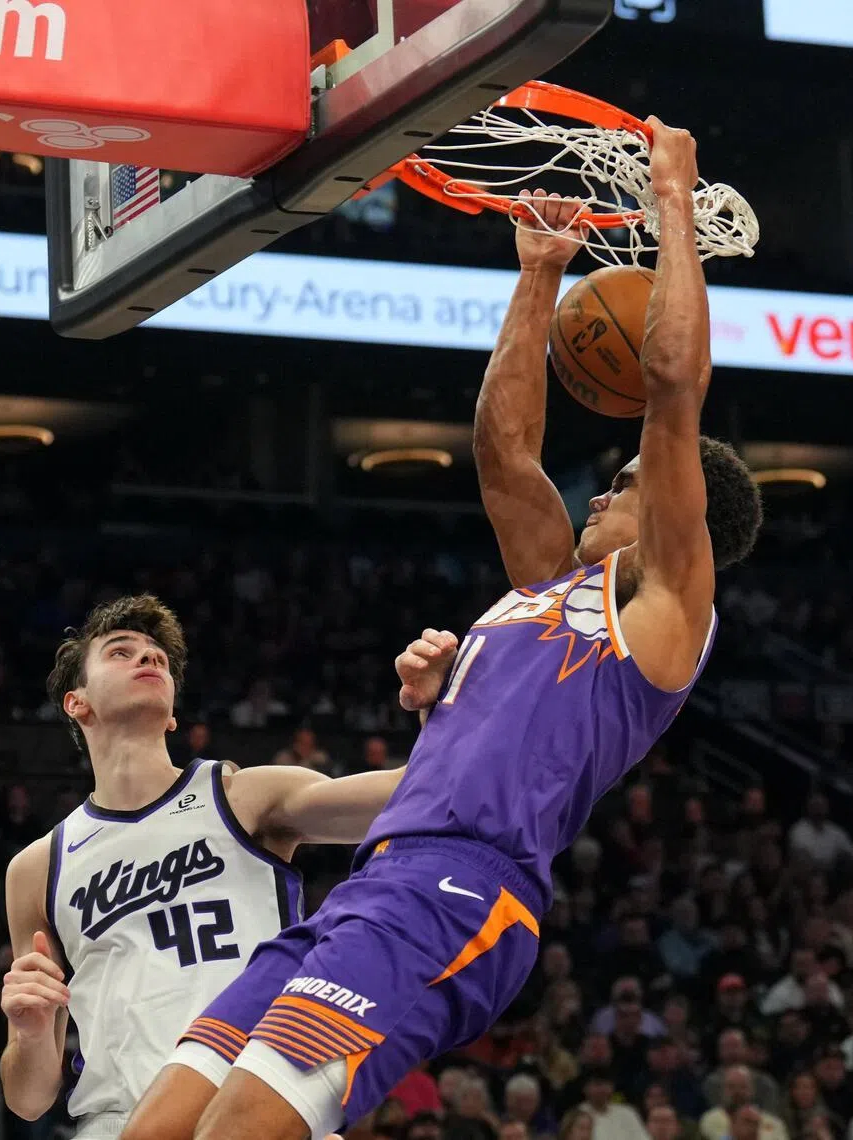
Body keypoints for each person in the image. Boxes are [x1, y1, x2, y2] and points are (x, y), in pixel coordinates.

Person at [122, 121, 762, 1140]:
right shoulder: (552, 581)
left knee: (238, 1133)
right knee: (152, 1132)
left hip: (463, 893)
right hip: (373, 881)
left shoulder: (664, 611)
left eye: (629, 486)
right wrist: (541, 274)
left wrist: (670, 204)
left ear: (686, 526)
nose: (607, 488)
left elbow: (674, 393)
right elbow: (503, 451)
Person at [0, 595, 446, 1137]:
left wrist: (443, 715)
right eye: (122, 652)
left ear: (171, 714)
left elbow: (416, 797)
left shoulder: (241, 795)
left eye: (159, 658)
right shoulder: (38, 866)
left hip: (255, 1109)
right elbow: (27, 1098)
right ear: (77, 702)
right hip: (117, 1121)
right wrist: (29, 1031)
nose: (149, 659)